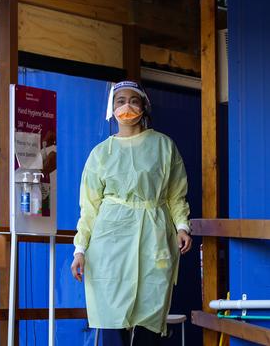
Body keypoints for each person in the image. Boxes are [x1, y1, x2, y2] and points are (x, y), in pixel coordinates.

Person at [70, 81, 192, 346]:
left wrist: (182, 225)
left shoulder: (164, 147)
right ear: (112, 109)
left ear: (144, 107)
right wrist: (80, 249)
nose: (126, 106)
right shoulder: (101, 154)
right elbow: (89, 207)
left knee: (149, 316)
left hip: (154, 238)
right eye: (119, 100)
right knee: (113, 321)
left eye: (133, 100)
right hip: (110, 243)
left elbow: (175, 193)